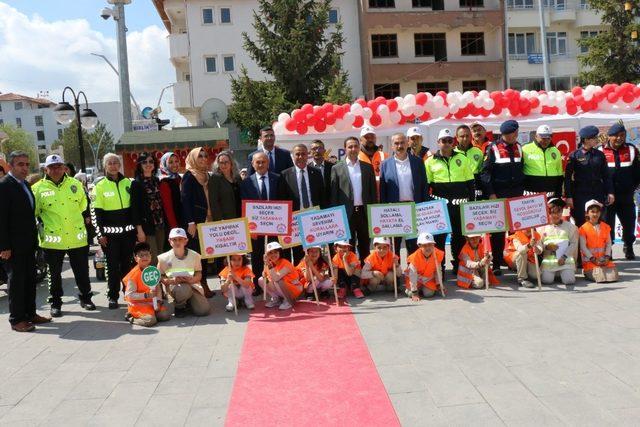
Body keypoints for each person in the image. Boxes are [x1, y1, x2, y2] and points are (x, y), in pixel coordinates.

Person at [32, 154, 94, 317]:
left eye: (59, 166)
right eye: (52, 167)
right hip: (53, 241)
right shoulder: (38, 188)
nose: (56, 170)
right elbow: (35, 212)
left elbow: (83, 205)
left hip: (76, 238)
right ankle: (56, 303)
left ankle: (86, 298)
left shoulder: (75, 184)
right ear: (46, 169)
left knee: (82, 271)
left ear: (64, 168)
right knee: (54, 274)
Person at [0, 151, 51, 332]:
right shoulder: (4, 186)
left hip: (28, 243)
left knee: (30, 280)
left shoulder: (25, 185)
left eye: (27, 164)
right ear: (11, 166)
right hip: (12, 247)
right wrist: (4, 246)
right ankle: (16, 320)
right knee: (16, 283)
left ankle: (31, 314)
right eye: (20, 164)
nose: (24, 168)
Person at [425, 128, 475, 273]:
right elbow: (427, 186)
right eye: (443, 141)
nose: (446, 144)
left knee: (459, 236)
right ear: (438, 143)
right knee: (439, 238)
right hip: (440, 207)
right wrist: (430, 204)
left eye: (449, 141)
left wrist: (471, 203)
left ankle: (458, 265)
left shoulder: (463, 159)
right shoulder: (429, 162)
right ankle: (440, 266)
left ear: (453, 142)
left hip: (460, 206)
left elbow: (470, 183)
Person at [480, 120, 525, 275]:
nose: (515, 135)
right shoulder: (492, 148)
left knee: (516, 231)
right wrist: (491, 193)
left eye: (516, 133)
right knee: (499, 231)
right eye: (513, 133)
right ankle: (497, 263)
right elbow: (485, 173)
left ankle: (514, 261)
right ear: (507, 134)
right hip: (499, 194)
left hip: (517, 195)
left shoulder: (519, 147)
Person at [91, 153, 136, 309]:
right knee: (111, 266)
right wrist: (99, 235)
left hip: (129, 234)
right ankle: (112, 296)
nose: (113, 165)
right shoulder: (100, 186)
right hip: (110, 237)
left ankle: (128, 293)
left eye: (116, 162)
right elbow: (95, 213)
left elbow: (135, 209)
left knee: (128, 264)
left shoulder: (129, 183)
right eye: (110, 163)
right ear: (105, 166)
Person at [379, 132, 429, 257]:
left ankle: (411, 273)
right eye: (396, 143)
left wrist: (424, 207)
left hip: (413, 208)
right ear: (392, 146)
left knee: (413, 245)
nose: (400, 145)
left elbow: (424, 186)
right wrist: (384, 210)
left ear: (407, 143)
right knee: (394, 245)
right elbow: (383, 190)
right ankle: (397, 273)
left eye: (402, 142)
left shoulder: (417, 162)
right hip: (395, 210)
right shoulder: (385, 164)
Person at [330, 137, 377, 262]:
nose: (353, 149)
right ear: (345, 149)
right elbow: (334, 195)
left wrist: (373, 213)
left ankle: (364, 276)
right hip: (346, 214)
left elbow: (373, 193)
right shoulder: (337, 168)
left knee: (365, 245)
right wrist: (336, 215)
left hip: (363, 212)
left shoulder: (367, 167)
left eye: (356, 146)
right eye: (350, 146)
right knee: (347, 246)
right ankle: (350, 277)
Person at [240, 151, 281, 291]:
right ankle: (258, 284)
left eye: (263, 161)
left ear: (268, 163)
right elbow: (244, 204)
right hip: (255, 228)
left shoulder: (278, 179)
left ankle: (276, 283)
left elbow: (283, 200)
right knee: (257, 256)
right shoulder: (246, 183)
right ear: (252, 164)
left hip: (275, 225)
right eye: (258, 162)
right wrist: (249, 228)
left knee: (274, 255)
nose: (261, 164)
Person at [600, 123, 640, 260]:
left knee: (629, 223)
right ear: (609, 136)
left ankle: (628, 246)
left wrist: (633, 187)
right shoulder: (600, 151)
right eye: (616, 135)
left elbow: (637, 171)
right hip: (608, 196)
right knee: (607, 225)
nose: (619, 138)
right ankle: (608, 249)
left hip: (626, 195)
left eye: (622, 135)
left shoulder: (632, 149)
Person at [564, 125, 614, 229]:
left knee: (599, 221)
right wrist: (569, 197)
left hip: (597, 193)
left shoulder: (599, 155)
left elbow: (606, 175)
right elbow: (567, 178)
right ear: (586, 140)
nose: (597, 140)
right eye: (594, 138)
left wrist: (610, 192)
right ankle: (582, 245)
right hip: (580, 194)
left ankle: (598, 245)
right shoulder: (574, 155)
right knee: (581, 222)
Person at [181, 147, 214, 298]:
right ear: (193, 158)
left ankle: (203, 282)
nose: (202, 159)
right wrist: (190, 222)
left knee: (206, 255)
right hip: (196, 222)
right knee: (197, 256)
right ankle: (198, 285)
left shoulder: (206, 175)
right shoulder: (189, 176)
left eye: (205, 156)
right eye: (199, 156)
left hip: (208, 221)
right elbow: (185, 201)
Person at [158, 228, 210, 317]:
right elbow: (160, 277)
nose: (177, 242)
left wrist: (192, 280)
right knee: (183, 289)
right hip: (175, 287)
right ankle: (179, 307)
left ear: (186, 241)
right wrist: (172, 281)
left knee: (203, 311)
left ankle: (188, 303)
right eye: (174, 239)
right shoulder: (163, 258)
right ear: (170, 241)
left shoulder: (195, 255)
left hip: (192, 285)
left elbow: (199, 273)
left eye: (180, 239)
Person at [123, 242, 172, 327]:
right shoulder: (133, 275)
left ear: (151, 256)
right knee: (150, 321)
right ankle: (131, 316)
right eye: (141, 255)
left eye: (147, 254)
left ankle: (152, 315)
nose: (145, 257)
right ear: (135, 258)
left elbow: (158, 288)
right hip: (137, 305)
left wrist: (159, 301)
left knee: (165, 316)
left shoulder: (153, 270)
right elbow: (129, 295)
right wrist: (146, 295)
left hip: (152, 303)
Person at [131, 152, 165, 264]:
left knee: (161, 255)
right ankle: (153, 282)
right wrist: (139, 230)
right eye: (144, 162)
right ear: (140, 165)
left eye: (151, 161)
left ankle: (160, 281)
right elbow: (135, 209)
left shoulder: (157, 181)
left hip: (160, 223)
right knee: (152, 257)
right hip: (147, 226)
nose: (148, 164)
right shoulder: (136, 183)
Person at [538, 198, 578, 285]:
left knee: (569, 281)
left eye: (558, 212)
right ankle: (556, 274)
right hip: (549, 262)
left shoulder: (570, 226)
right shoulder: (541, 227)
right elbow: (539, 245)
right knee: (546, 281)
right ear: (548, 212)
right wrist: (546, 247)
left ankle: (563, 273)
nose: (556, 215)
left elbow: (573, 243)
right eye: (553, 212)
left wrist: (564, 257)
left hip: (565, 261)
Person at [579, 200, 618, 283]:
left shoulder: (606, 227)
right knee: (600, 278)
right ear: (587, 213)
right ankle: (586, 272)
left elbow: (608, 243)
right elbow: (583, 247)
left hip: (604, 260)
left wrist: (607, 257)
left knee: (613, 277)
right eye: (592, 212)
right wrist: (593, 259)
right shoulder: (583, 228)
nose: (595, 214)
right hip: (590, 261)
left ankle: (602, 270)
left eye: (597, 212)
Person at [522, 125, 563, 197]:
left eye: (548, 138)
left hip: (550, 194)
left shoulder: (556, 151)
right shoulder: (525, 149)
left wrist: (558, 195)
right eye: (543, 138)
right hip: (531, 194)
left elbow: (559, 173)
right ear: (536, 136)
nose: (546, 141)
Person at [258, 242, 301, 310]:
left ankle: (288, 301)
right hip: (281, 288)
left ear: (279, 253)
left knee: (278, 281)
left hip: (293, 289)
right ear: (267, 255)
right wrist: (265, 266)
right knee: (261, 280)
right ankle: (276, 299)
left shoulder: (285, 263)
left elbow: (275, 278)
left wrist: (269, 265)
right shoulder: (270, 263)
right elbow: (265, 276)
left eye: (275, 252)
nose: (273, 255)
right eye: (270, 253)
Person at [405, 232, 444, 301]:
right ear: (419, 246)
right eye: (424, 245)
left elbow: (438, 271)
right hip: (416, 278)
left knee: (428, 294)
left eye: (430, 245)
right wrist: (414, 292)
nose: (428, 248)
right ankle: (417, 290)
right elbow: (412, 275)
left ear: (433, 245)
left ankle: (422, 289)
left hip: (427, 279)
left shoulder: (437, 254)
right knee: (410, 294)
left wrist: (439, 285)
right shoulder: (414, 257)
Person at [209, 151, 242, 221]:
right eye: (221, 163)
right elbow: (213, 202)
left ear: (231, 163)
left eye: (226, 162)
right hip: (224, 220)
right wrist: (219, 219)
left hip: (240, 217)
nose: (224, 165)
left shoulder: (237, 177)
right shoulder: (215, 178)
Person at [454, 125, 485, 199]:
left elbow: (482, 172)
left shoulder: (478, 152)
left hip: (476, 188)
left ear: (471, 136)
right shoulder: (452, 153)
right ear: (457, 138)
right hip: (459, 187)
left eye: (467, 136)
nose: (465, 139)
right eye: (462, 136)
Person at [158, 152, 183, 238]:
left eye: (176, 161)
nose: (174, 164)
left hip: (182, 220)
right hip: (173, 225)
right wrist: (175, 229)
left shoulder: (179, 178)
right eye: (171, 162)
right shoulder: (164, 182)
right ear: (164, 164)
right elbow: (168, 208)